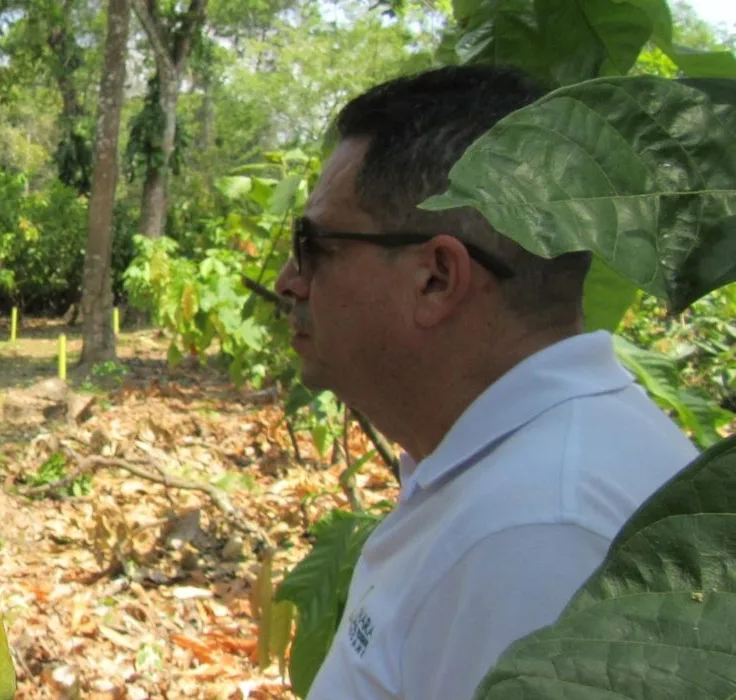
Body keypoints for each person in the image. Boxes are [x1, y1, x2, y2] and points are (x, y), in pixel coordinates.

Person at [272, 64, 701, 700]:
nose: (288, 279)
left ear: (436, 279)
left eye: (314, 245)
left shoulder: (536, 533)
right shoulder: (515, 470)